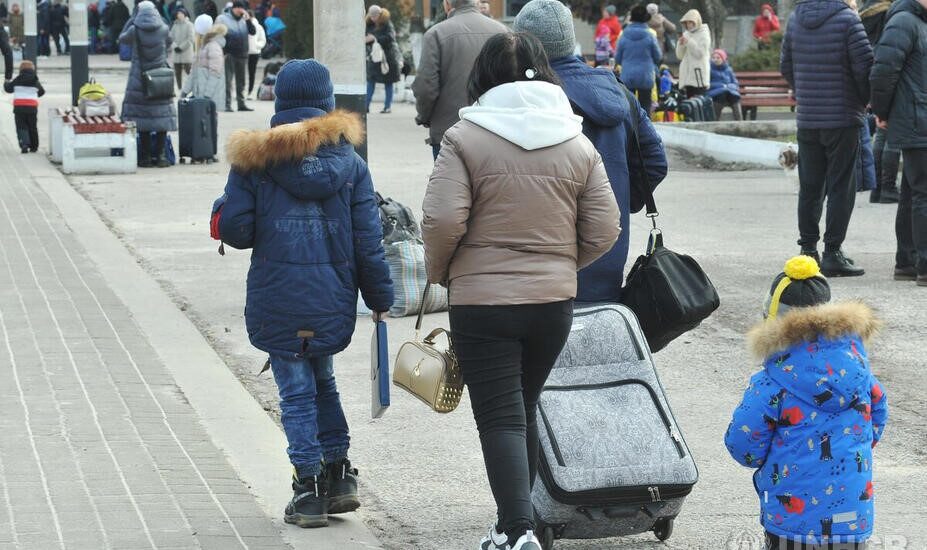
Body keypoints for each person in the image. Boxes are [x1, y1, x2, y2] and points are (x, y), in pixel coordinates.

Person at [422, 32, 621, 550]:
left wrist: (443, 272)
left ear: (483, 77)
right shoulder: (577, 141)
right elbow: (605, 227)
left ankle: (518, 532)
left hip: (483, 304)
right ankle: (521, 524)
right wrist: (559, 266)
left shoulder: (464, 138)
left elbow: (442, 219)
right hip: (552, 304)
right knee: (523, 407)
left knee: (501, 416)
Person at [212, 59, 394, 529]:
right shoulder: (352, 164)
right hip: (331, 297)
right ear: (328, 103)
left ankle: (308, 489)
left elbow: (236, 229)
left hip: (279, 296)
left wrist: (225, 206)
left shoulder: (255, 161)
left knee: (295, 395)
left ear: (280, 103)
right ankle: (339, 475)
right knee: (325, 383)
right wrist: (379, 297)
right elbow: (367, 242)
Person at [725, 255, 887, 550]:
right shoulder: (861, 374)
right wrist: (850, 447)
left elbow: (744, 445)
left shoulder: (771, 383)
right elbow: (877, 414)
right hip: (853, 520)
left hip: (791, 523)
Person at [514, 0, 668, 303]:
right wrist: (620, 202)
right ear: (571, 40)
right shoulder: (617, 91)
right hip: (608, 252)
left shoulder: (526, 99)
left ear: (522, 46)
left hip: (541, 262)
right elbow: (655, 161)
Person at [780, 0, 872, 277]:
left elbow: (786, 65)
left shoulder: (796, 18)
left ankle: (808, 250)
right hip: (843, 117)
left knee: (810, 187)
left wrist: (804, 91)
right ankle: (833, 252)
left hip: (808, 118)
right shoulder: (848, 20)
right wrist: (863, 100)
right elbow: (865, 67)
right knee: (841, 185)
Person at [871, 0, 927, 286]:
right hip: (915, 119)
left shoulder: (918, 22)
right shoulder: (904, 21)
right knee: (923, 194)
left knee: (911, 192)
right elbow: (883, 69)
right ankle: (924, 265)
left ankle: (906, 261)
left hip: (918, 117)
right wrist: (881, 111)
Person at [412, 0, 506, 159]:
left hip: (449, 130)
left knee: (448, 182)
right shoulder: (503, 32)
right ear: (476, 2)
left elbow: (426, 87)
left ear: (447, 4)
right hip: (495, 129)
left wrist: (424, 116)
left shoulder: (436, 34)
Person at [121, 0, 177, 168]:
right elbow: (169, 44)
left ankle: (145, 158)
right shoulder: (163, 29)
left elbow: (122, 39)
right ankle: (160, 156)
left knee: (142, 120)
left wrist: (132, 20)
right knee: (161, 119)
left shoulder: (134, 30)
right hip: (160, 79)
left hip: (140, 80)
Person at [615, 5, 661, 113]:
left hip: (628, 75)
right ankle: (645, 129)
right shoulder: (650, 36)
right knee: (645, 106)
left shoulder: (623, 36)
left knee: (629, 108)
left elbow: (618, 58)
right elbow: (658, 56)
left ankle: (631, 129)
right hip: (645, 75)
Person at [217, 0, 254, 112]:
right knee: (228, 80)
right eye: (240, 8)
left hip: (242, 54)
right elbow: (218, 35)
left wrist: (248, 21)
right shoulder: (223, 19)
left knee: (241, 81)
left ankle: (241, 103)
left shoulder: (244, 20)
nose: (242, 11)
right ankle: (227, 104)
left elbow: (253, 32)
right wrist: (222, 51)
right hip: (229, 54)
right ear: (235, 8)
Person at [365, 6, 401, 114]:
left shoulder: (387, 24)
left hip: (387, 57)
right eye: (371, 16)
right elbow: (366, 37)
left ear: (380, 15)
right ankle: (366, 106)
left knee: (388, 82)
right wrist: (367, 40)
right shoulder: (369, 24)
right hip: (374, 57)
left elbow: (390, 38)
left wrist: (374, 38)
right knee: (371, 81)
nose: (373, 18)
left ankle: (387, 106)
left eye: (375, 16)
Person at [3, 60, 44, 153]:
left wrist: (6, 82)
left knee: (21, 126)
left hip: (19, 107)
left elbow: (8, 89)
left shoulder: (17, 79)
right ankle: (34, 147)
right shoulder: (35, 80)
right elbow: (42, 92)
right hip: (32, 108)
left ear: (21, 69)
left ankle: (24, 144)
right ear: (32, 69)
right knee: (32, 126)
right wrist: (33, 94)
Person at [183, 19, 225, 106]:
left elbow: (215, 73)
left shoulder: (213, 46)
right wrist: (185, 91)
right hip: (199, 94)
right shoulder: (202, 47)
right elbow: (193, 73)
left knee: (208, 118)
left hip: (209, 97)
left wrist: (207, 95)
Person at [676, 9, 711, 97]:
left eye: (690, 22)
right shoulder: (686, 34)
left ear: (696, 21)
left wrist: (689, 42)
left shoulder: (704, 34)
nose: (688, 25)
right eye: (686, 23)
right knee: (689, 102)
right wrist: (680, 45)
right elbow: (680, 56)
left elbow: (700, 54)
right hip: (687, 74)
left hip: (698, 74)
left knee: (699, 101)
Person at [707, 49, 742, 120]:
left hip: (729, 91)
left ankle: (739, 121)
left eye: (718, 58)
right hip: (715, 93)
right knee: (721, 95)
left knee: (735, 97)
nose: (715, 60)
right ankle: (715, 120)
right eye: (713, 58)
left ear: (723, 59)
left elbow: (735, 83)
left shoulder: (729, 69)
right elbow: (707, 84)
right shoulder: (709, 69)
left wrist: (728, 86)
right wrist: (721, 86)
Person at [170, 8, 194, 89]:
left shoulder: (189, 25)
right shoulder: (175, 25)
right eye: (178, 13)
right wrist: (175, 46)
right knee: (177, 72)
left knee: (189, 71)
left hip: (186, 53)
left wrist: (181, 47)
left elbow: (190, 38)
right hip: (176, 53)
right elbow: (171, 38)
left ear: (185, 14)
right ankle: (179, 87)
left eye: (181, 13)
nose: (179, 15)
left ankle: (192, 87)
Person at [246, 10, 264, 100]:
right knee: (243, 73)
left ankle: (250, 91)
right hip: (243, 52)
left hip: (254, 52)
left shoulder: (258, 27)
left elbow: (263, 40)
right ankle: (244, 92)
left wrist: (257, 46)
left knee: (251, 73)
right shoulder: (242, 25)